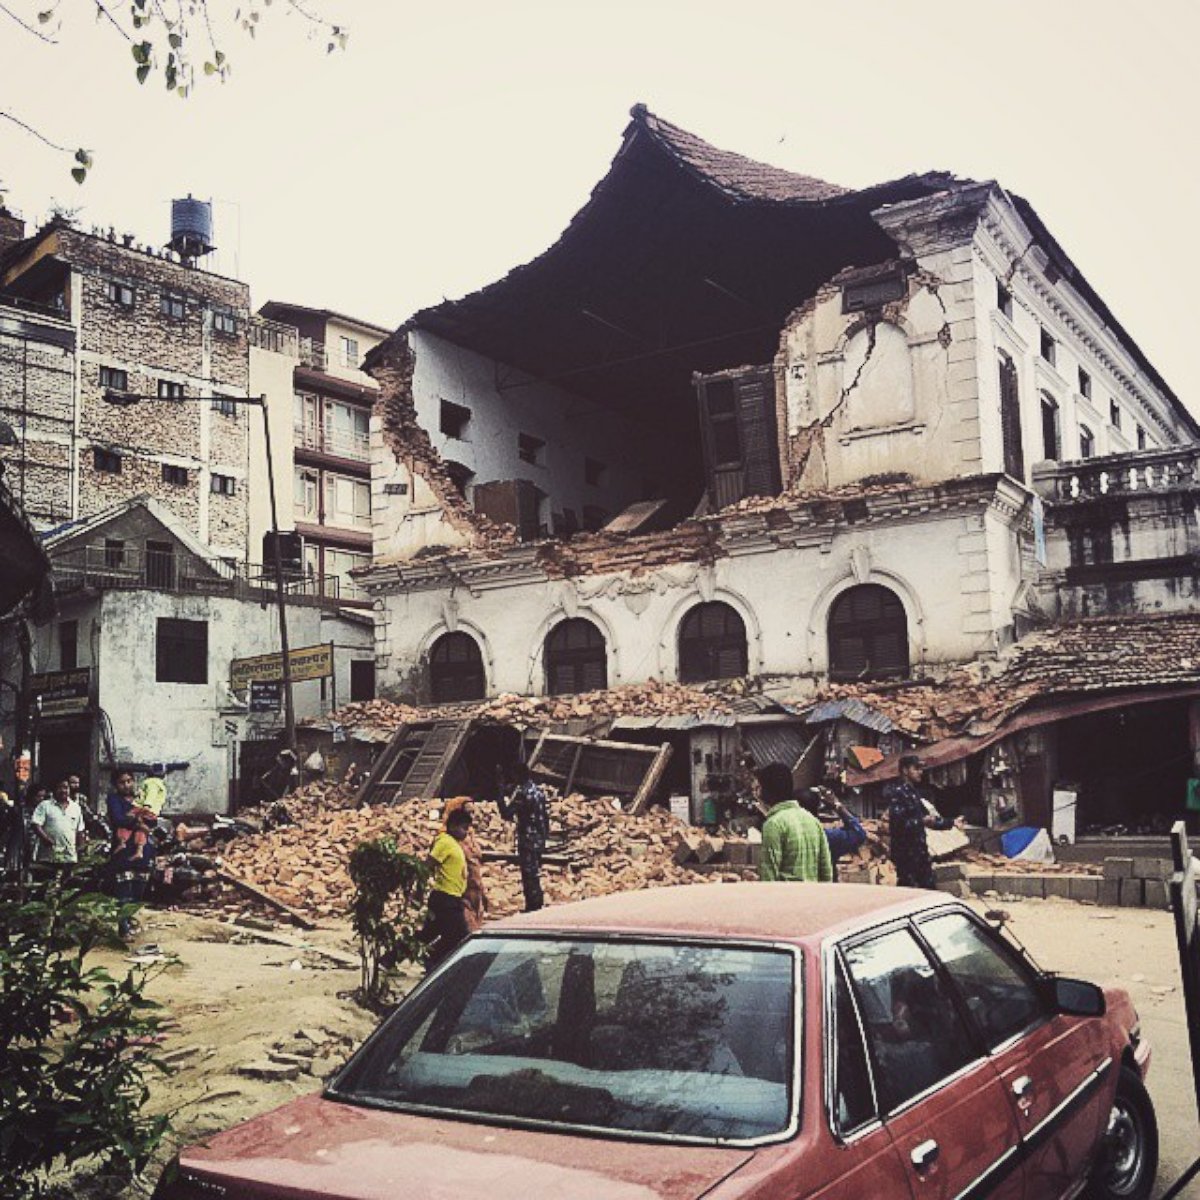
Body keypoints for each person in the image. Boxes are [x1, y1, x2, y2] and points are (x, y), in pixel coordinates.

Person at [884, 755, 964, 890]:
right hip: (905, 852)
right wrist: (921, 821)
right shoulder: (897, 793)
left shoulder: (913, 793)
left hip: (919, 850)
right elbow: (898, 824)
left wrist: (951, 822)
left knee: (928, 888)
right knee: (908, 890)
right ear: (905, 770)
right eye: (916, 768)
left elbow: (930, 819)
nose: (920, 772)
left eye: (921, 769)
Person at [757, 763, 834, 883]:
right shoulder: (812, 821)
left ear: (767, 790)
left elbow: (769, 876)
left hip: (786, 899)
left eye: (759, 788)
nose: (758, 793)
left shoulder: (773, 824)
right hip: (812, 897)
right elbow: (826, 871)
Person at [421, 806, 474, 971]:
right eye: (463, 828)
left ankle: (389, 959)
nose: (466, 833)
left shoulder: (453, 843)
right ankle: (432, 959)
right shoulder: (444, 842)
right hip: (445, 898)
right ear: (452, 826)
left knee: (426, 934)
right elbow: (428, 865)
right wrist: (418, 888)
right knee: (458, 936)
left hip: (451, 897)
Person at [106, 770, 156, 936]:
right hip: (124, 849)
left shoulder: (140, 798)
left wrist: (140, 821)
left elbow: (153, 819)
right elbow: (118, 819)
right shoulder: (114, 799)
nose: (126, 785)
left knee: (138, 886)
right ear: (116, 785)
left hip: (142, 848)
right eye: (122, 782)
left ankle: (130, 920)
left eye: (129, 781)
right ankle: (123, 927)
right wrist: (139, 823)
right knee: (123, 888)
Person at [498, 762, 550, 912]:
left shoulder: (522, 793)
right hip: (539, 838)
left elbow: (507, 814)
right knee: (535, 872)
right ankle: (537, 903)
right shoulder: (538, 791)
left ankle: (533, 906)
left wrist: (500, 794)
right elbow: (545, 817)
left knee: (529, 875)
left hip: (527, 839)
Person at [442, 796, 489, 932]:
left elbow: (476, 861)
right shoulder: (449, 840)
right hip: (462, 893)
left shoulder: (468, 834)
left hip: (475, 890)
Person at [800, 786, 867, 869]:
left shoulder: (785, 835)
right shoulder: (827, 838)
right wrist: (836, 804)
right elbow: (859, 834)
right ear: (817, 810)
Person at [30, 777, 85, 876]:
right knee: (46, 886)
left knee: (67, 888)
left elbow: (80, 830)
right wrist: (45, 838)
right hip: (48, 857)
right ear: (54, 790)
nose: (63, 790)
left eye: (66, 787)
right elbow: (35, 824)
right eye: (60, 787)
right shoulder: (44, 805)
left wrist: (81, 850)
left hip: (69, 857)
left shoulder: (76, 808)